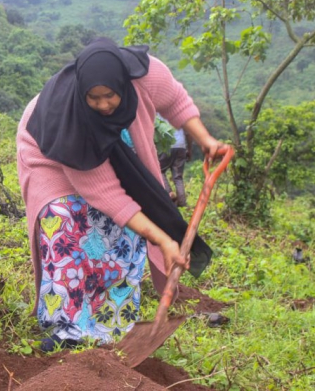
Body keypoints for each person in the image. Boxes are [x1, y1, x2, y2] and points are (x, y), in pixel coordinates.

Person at [16, 37, 227, 352]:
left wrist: (207, 140)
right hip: (52, 156)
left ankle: (111, 326)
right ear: (82, 93)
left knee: (124, 236)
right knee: (66, 226)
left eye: (109, 95)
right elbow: (108, 195)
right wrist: (165, 240)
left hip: (115, 151)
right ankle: (67, 330)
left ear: (123, 84)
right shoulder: (73, 119)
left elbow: (176, 102)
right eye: (94, 98)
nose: (103, 105)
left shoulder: (146, 74)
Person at [158, 117, 192, 207]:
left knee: (159, 170)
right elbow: (188, 133)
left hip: (165, 145)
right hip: (181, 146)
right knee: (178, 177)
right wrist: (189, 149)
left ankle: (169, 193)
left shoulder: (157, 112)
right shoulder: (178, 112)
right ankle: (182, 203)